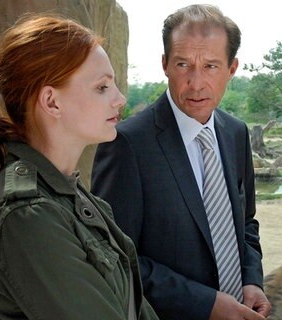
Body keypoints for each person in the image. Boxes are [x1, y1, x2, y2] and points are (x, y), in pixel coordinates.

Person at [0, 13, 158, 320]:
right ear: (51, 102)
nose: (120, 99)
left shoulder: (72, 198)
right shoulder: (26, 217)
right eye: (102, 87)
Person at [91, 4, 271, 320]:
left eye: (211, 66)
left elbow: (245, 223)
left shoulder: (236, 133)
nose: (196, 83)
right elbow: (115, 258)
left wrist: (251, 279)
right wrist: (207, 304)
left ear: (232, 69)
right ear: (165, 65)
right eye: (183, 64)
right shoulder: (127, 144)